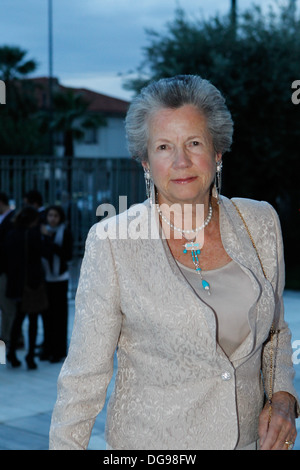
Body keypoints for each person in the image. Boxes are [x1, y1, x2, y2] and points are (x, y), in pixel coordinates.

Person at [49, 75, 299, 450]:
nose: (181, 161)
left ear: (217, 152)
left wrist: (283, 398)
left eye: (194, 143)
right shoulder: (113, 243)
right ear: (145, 161)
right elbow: (84, 377)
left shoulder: (260, 221)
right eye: (164, 146)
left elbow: (275, 331)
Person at [5, 206, 46, 369]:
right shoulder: (34, 235)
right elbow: (43, 253)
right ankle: (30, 357)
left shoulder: (11, 234)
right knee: (34, 320)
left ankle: (12, 352)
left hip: (16, 283)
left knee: (18, 319)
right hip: (32, 283)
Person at [41, 205, 73, 363]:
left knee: (59, 315)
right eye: (50, 215)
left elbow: (66, 255)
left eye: (55, 216)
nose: (52, 219)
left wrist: (50, 240)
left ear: (60, 218)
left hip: (60, 278)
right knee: (47, 315)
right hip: (46, 278)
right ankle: (47, 348)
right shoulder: (42, 232)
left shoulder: (65, 233)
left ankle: (58, 350)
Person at [0, 192, 16, 349]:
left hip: (5, 270)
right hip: (3, 270)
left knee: (7, 306)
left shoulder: (11, 219)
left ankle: (8, 337)